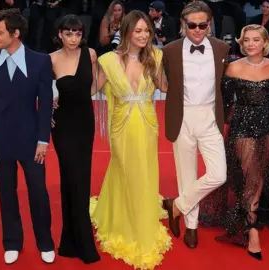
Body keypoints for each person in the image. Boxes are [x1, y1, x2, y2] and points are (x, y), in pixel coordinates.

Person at [199, 24, 269, 260]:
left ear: (264, 43)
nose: (250, 44)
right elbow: (226, 102)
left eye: (255, 40)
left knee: (262, 174)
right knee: (251, 174)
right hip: (243, 127)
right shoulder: (234, 68)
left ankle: (253, 216)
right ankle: (251, 229)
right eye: (246, 40)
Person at [90, 10, 171, 269]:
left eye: (147, 30)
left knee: (145, 171)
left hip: (148, 124)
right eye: (138, 31)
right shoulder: (108, 61)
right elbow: (93, 89)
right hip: (121, 125)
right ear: (125, 32)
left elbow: (164, 86)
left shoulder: (155, 56)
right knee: (125, 171)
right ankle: (124, 220)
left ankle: (141, 215)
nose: (144, 35)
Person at [0, 8, 55, 264]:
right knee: (6, 193)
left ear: (16, 33)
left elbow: (45, 105)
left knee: (38, 192)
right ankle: (12, 241)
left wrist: (43, 140)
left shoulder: (40, 61)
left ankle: (45, 242)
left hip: (31, 141)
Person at [161, 1, 228, 249]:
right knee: (186, 175)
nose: (197, 30)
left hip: (210, 116)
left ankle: (176, 205)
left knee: (218, 174)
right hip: (182, 116)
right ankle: (191, 226)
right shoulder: (169, 50)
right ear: (183, 24)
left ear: (209, 24)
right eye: (192, 25)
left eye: (202, 25)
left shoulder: (222, 48)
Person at [49, 14, 100, 264]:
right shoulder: (51, 60)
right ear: (59, 34)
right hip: (63, 126)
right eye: (68, 33)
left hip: (84, 124)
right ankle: (78, 241)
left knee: (81, 178)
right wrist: (48, 108)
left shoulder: (90, 54)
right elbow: (37, 90)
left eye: (77, 33)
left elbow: (94, 86)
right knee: (70, 178)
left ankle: (73, 241)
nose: (73, 38)